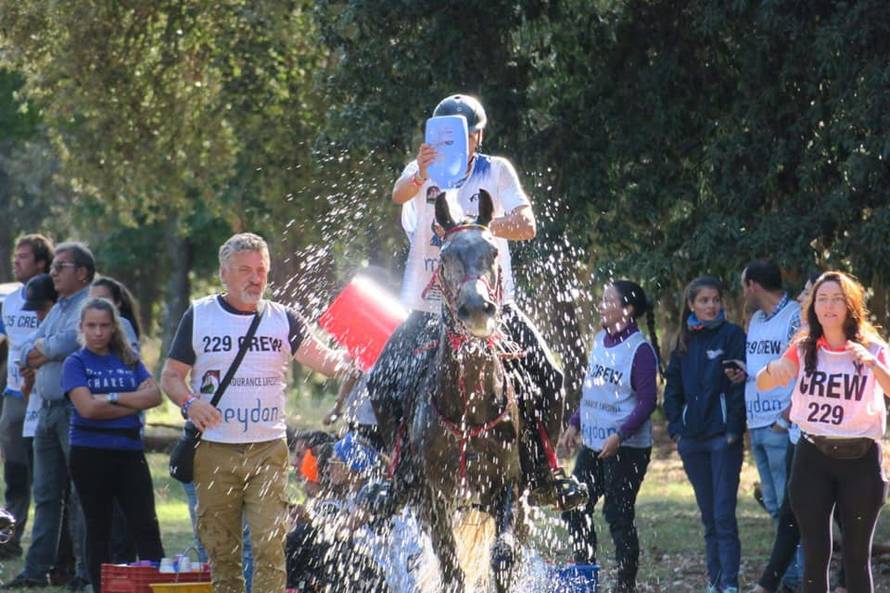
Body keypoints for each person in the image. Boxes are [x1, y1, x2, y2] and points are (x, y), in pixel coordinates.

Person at [370, 93, 585, 510]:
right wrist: (420, 174)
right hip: (429, 306)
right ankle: (400, 476)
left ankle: (545, 473)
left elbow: (527, 224)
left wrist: (477, 229)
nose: (452, 144)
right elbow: (398, 195)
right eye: (443, 135)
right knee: (381, 381)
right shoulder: (421, 169)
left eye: (460, 136)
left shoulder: (496, 170)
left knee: (551, 377)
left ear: (477, 136)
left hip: (492, 307)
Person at [160, 232, 348, 593]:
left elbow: (330, 363)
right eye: (245, 269)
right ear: (224, 274)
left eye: (261, 269)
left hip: (268, 450)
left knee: (269, 547)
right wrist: (190, 403)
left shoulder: (283, 319)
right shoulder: (200, 315)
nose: (255, 277)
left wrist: (355, 359)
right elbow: (170, 376)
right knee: (222, 552)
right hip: (214, 450)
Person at [756, 271, 890, 593]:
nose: (829, 306)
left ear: (851, 305)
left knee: (857, 556)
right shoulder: (803, 347)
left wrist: (872, 364)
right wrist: (774, 370)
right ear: (813, 305)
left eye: (837, 299)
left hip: (861, 460)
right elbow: (763, 382)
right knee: (816, 553)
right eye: (822, 298)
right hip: (812, 457)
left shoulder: (872, 346)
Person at [558, 280, 660, 593]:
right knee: (574, 505)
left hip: (626, 449)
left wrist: (620, 434)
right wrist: (575, 424)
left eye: (608, 301)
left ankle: (624, 585)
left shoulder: (640, 350)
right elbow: (592, 390)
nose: (602, 306)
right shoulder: (601, 339)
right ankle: (585, 576)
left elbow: (647, 401)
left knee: (617, 515)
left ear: (627, 310)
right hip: (592, 444)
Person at [5, 242, 94, 591]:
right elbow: (28, 347)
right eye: (53, 267)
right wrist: (42, 350)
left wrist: (43, 350)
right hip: (45, 409)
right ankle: (35, 570)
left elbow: (68, 343)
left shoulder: (88, 304)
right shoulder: (59, 308)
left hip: (73, 410)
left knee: (79, 495)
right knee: (45, 494)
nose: (53, 273)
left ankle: (85, 572)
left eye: (61, 266)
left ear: (82, 272)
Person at [62, 298, 165, 589]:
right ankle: (100, 586)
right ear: (81, 327)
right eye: (91, 326)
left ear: (113, 327)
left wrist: (109, 398)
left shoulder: (129, 360)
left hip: (129, 452)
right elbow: (87, 410)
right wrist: (133, 402)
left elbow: (155, 397)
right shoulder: (76, 363)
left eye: (104, 326)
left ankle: (153, 584)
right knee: (98, 527)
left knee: (145, 523)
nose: (98, 332)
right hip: (89, 453)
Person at [663, 276, 746, 593]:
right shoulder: (683, 341)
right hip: (691, 442)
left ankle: (729, 584)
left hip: (722, 439)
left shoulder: (733, 335)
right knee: (709, 517)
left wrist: (734, 430)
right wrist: (676, 429)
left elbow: (738, 387)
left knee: (724, 515)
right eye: (704, 301)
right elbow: (672, 391)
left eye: (715, 300)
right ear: (691, 305)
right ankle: (714, 582)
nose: (711, 306)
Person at [730, 261, 800, 521]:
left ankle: (799, 564)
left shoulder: (795, 315)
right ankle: (788, 564)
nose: (743, 293)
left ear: (754, 285)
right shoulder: (757, 319)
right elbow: (762, 366)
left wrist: (784, 420)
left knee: (789, 508)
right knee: (772, 505)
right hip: (757, 423)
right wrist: (743, 370)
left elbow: (805, 370)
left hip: (780, 425)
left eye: (744, 287)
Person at [0, 234, 53, 560]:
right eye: (15, 256)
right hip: (15, 397)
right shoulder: (8, 300)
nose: (15, 261)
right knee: (16, 473)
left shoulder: (55, 300)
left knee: (48, 477)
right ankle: (9, 540)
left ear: (41, 263)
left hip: (47, 395)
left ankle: (52, 551)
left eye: (23, 257)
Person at [90, 276, 141, 349]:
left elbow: (132, 357)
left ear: (117, 302)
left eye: (102, 299)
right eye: (91, 300)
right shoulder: (85, 325)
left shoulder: (122, 324)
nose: (96, 304)